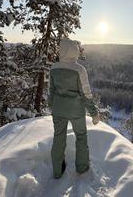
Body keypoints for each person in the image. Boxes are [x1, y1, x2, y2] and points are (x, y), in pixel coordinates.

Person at [48, 38, 100, 179]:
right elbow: (86, 93)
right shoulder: (79, 70)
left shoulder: (54, 68)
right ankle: (82, 167)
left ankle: (57, 171)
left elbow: (51, 90)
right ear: (75, 51)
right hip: (76, 110)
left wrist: (51, 106)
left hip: (58, 109)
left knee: (58, 138)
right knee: (81, 137)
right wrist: (94, 113)